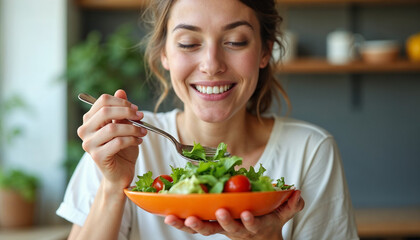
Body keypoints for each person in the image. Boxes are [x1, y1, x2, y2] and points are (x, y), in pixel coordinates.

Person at [57, 0, 359, 239]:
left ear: (265, 51)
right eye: (189, 43)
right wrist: (112, 187)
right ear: (165, 53)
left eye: (236, 41)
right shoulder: (126, 141)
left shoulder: (310, 150)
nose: (212, 65)